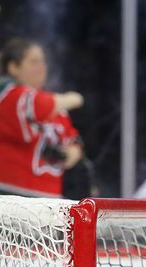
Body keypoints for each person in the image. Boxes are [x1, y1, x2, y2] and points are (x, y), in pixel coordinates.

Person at [0, 38, 85, 197]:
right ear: (13, 67)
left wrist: (72, 152)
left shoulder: (56, 108)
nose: (42, 67)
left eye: (43, 61)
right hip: (11, 198)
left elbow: (73, 138)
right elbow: (38, 106)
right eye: (34, 62)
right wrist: (71, 99)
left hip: (49, 201)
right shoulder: (8, 95)